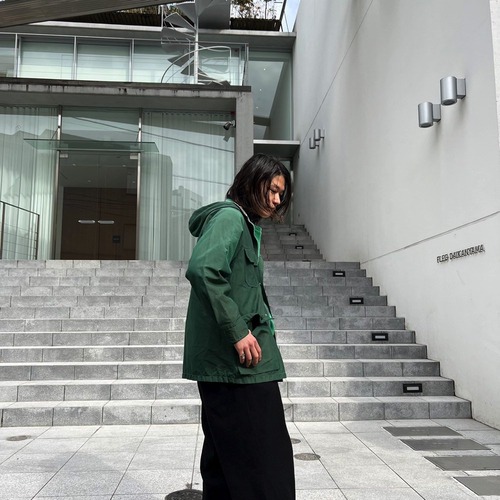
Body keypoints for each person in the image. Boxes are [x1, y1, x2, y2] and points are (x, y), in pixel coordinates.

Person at [183, 153, 296, 500]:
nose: (276, 200)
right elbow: (204, 270)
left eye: (280, 194)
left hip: (235, 366)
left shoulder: (244, 224)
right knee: (265, 462)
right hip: (238, 367)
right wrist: (239, 332)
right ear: (252, 182)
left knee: (225, 461)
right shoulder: (230, 218)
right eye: (272, 190)